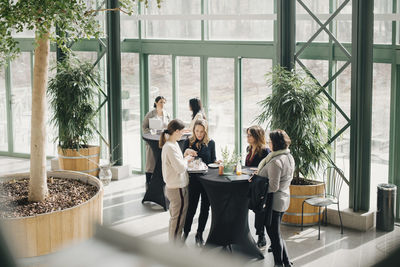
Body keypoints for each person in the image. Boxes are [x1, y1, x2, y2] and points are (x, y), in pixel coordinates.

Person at [257, 129, 294, 267]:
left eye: (270, 141)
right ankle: (286, 263)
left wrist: (259, 182)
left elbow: (273, 186)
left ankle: (278, 264)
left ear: (276, 144)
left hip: (275, 202)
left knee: (274, 235)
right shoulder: (289, 156)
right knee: (276, 233)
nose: (268, 143)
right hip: (284, 199)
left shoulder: (275, 161)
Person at [182, 119, 216, 246]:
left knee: (205, 209)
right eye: (197, 131)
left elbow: (213, 160)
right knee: (191, 208)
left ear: (205, 131)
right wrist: (187, 154)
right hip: (193, 181)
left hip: (207, 181)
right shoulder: (188, 142)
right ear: (193, 130)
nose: (199, 134)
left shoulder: (211, 143)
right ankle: (185, 233)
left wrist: (217, 162)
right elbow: (183, 161)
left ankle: (199, 234)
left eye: (202, 131)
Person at [160, 119, 193, 243]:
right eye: (182, 132)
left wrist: (184, 156)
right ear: (177, 131)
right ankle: (174, 246)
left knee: (177, 218)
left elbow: (177, 163)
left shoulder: (172, 144)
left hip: (176, 187)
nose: (183, 134)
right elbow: (180, 168)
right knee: (178, 219)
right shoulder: (170, 147)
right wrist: (187, 159)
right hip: (177, 188)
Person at [245, 125, 270, 250]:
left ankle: (261, 236)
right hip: (250, 183)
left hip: (260, 185)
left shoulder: (265, 151)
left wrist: (254, 171)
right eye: (247, 134)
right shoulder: (249, 149)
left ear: (257, 136)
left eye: (250, 135)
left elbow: (267, 170)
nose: (247, 137)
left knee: (259, 210)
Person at [142, 96, 171, 189]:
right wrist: (151, 131)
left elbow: (170, 127)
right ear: (156, 103)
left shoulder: (167, 114)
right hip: (152, 141)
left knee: (161, 161)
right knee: (150, 162)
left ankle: (161, 181)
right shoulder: (150, 114)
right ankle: (148, 182)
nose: (162, 104)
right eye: (160, 102)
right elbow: (144, 127)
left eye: (164, 102)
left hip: (163, 141)